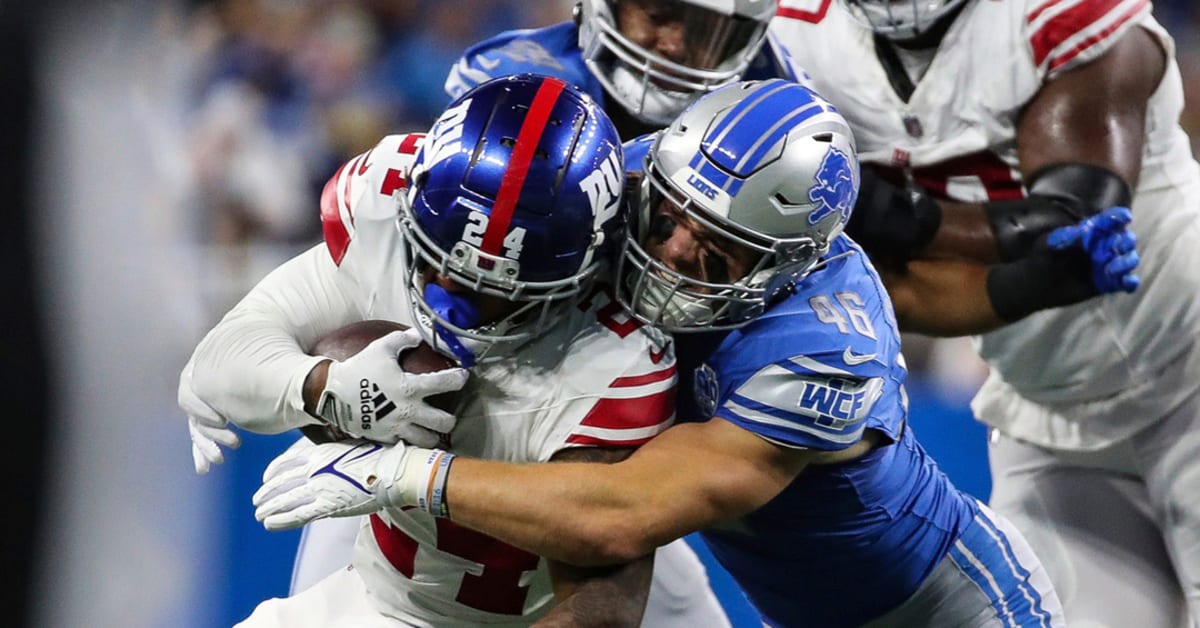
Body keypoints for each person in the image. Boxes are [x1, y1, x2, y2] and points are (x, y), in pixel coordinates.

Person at [250, 79, 1129, 627]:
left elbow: (626, 511)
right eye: (668, 217)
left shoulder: (819, 342)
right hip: (725, 562)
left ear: (786, 265)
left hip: (931, 609)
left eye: (716, 253)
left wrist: (406, 474)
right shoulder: (624, 181)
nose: (668, 252)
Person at [181, 74, 681, 626]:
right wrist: (325, 387)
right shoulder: (384, 220)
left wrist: (406, 471)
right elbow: (220, 360)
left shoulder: (612, 359)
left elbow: (601, 605)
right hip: (384, 589)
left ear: (579, 279)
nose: (451, 310)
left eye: (492, 294)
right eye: (439, 266)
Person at [771, 0, 1200, 624]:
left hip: (1188, 364)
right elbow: (895, 292)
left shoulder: (1057, 18)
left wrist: (884, 213)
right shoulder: (793, 38)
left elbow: (1071, 218)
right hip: (1047, 410)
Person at [446, 0, 792, 139]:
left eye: (706, 31)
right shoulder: (521, 78)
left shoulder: (775, 102)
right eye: (658, 16)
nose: (675, 45)